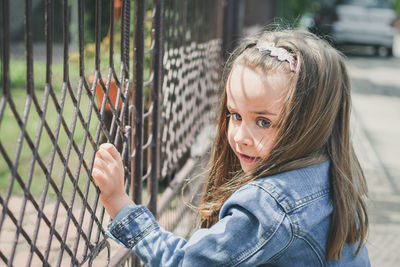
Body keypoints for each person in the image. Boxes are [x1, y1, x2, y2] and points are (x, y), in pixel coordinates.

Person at [92, 29, 370, 266]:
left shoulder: (267, 209)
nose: (240, 136)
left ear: (312, 123)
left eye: (263, 121)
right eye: (235, 115)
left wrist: (119, 203)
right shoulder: (336, 170)